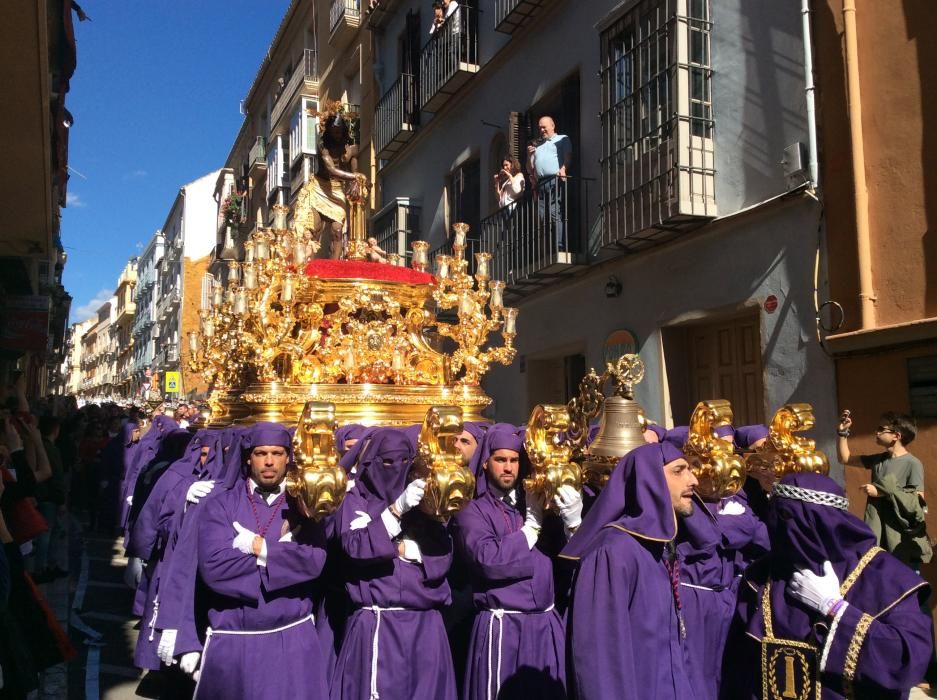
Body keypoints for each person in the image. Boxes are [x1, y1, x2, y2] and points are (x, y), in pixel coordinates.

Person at [723, 472, 933, 698]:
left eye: (785, 516)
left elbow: (907, 661)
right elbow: (740, 666)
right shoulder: (761, 575)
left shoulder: (885, 576)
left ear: (820, 521)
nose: (776, 526)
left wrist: (833, 608)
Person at [194, 422, 329, 699]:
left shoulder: (303, 507)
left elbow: (314, 560)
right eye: (261, 453)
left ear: (288, 457)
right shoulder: (220, 505)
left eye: (278, 453)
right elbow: (215, 569)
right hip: (235, 642)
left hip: (292, 641)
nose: (269, 461)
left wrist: (261, 549)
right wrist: (284, 559)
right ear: (248, 457)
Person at [561, 442, 697, 700]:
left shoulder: (659, 547)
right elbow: (599, 661)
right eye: (679, 471)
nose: (693, 480)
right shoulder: (612, 551)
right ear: (651, 480)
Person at [330, 428, 456, 700]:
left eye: (402, 461)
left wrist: (402, 548)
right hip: (377, 623)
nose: (395, 469)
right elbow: (355, 548)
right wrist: (395, 511)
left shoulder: (424, 499)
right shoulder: (353, 499)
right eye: (386, 462)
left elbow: (442, 558)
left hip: (425, 626)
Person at [453, 424, 576, 700]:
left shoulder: (537, 502)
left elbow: (566, 560)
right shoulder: (472, 510)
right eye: (500, 460)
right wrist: (530, 529)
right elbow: (487, 559)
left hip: (545, 626)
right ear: (485, 462)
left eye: (514, 460)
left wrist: (573, 523)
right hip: (503, 629)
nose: (508, 468)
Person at [837, 409, 931, 568]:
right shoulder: (879, 460)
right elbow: (844, 458)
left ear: (897, 436)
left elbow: (918, 501)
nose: (877, 432)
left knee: (904, 581)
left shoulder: (912, 463)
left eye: (881, 429)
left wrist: (881, 491)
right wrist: (842, 433)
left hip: (900, 537)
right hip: (878, 531)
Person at [294, 101, 367, 260]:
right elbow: (332, 170)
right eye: (333, 131)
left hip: (337, 190)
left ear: (344, 131)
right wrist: (355, 177)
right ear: (328, 131)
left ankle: (335, 266)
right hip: (319, 188)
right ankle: (307, 264)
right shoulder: (323, 147)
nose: (336, 134)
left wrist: (355, 179)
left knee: (337, 231)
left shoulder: (352, 149)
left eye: (339, 131)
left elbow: (354, 168)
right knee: (315, 228)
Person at [526, 116, 572, 250]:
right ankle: (546, 249)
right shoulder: (537, 145)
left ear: (552, 125)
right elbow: (530, 168)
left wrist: (563, 169)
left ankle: (560, 245)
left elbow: (568, 156)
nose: (541, 130)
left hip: (555, 180)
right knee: (542, 217)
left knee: (554, 213)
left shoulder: (562, 139)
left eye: (544, 127)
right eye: (540, 127)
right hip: (541, 184)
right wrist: (529, 156)